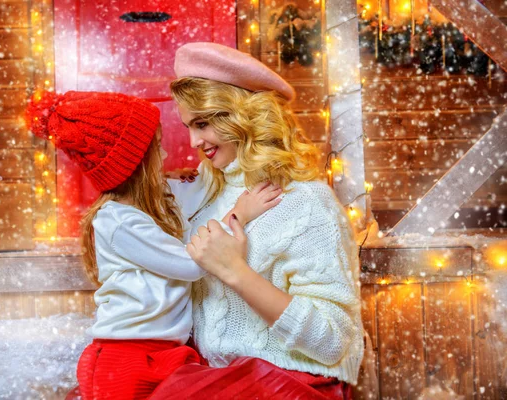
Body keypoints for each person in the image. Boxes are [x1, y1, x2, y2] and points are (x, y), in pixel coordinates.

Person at [26, 91, 282, 400]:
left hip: (165, 352)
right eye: (157, 149)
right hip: (126, 358)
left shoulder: (155, 201)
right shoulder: (118, 222)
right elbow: (192, 264)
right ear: (136, 164)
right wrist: (240, 212)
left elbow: (204, 186)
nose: (164, 156)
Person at [151, 42, 364, 399]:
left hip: (292, 382)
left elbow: (332, 342)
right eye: (189, 126)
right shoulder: (208, 196)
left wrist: (236, 272)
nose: (192, 141)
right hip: (217, 379)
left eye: (203, 123)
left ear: (242, 115)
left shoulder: (307, 202)